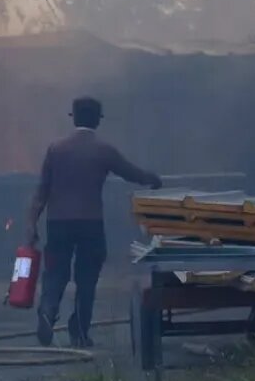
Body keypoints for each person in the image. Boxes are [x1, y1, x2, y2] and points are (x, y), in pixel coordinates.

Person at [25, 96, 162, 348]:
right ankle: (79, 331)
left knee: (55, 272)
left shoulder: (56, 149)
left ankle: (47, 310)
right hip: (90, 224)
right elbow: (130, 172)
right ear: (98, 120)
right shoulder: (104, 150)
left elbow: (41, 191)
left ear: (74, 118)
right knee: (86, 279)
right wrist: (152, 179)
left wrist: (32, 224)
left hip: (57, 224)